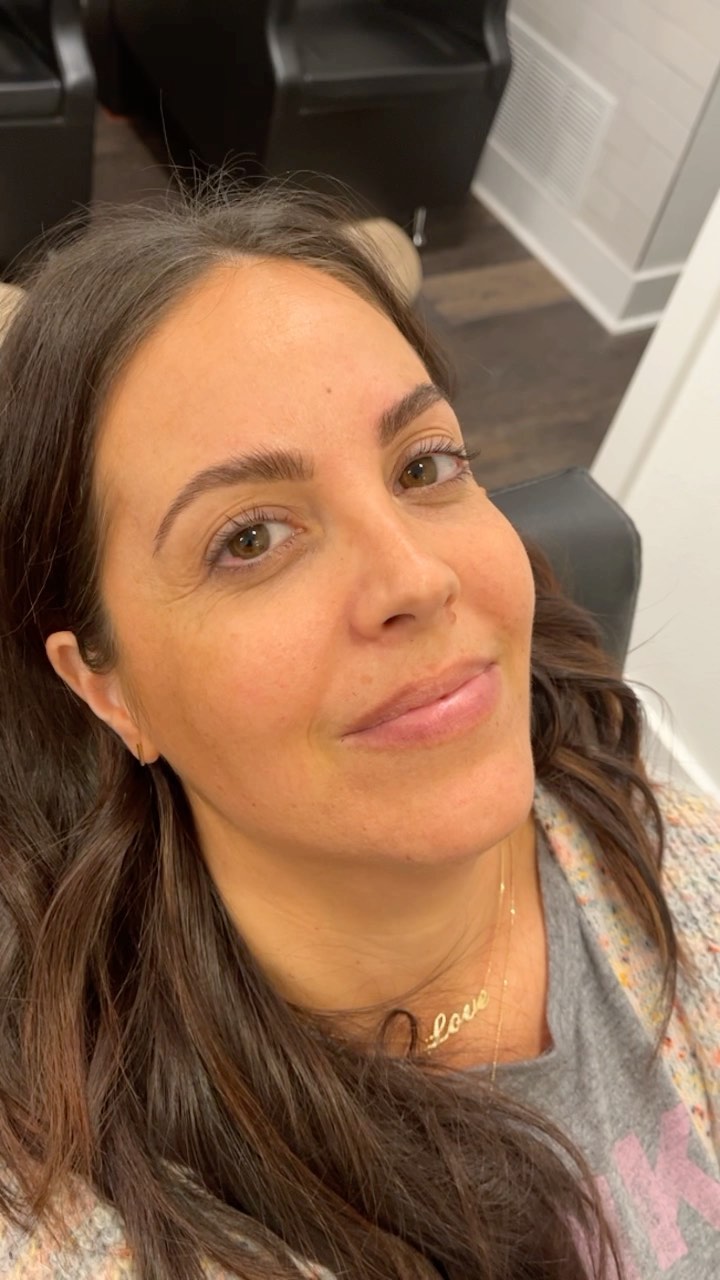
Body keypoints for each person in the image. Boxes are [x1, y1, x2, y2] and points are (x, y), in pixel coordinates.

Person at [0, 184, 717, 1280]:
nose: (416, 579)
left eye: (424, 466)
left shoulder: (678, 863)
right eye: (250, 538)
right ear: (105, 688)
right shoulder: (77, 1221)